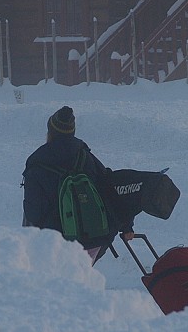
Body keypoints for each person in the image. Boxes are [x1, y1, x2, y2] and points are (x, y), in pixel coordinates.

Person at [22, 106, 134, 265]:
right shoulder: (86, 157)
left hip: (56, 245)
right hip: (95, 239)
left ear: (50, 132)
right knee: (79, 277)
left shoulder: (37, 165)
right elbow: (111, 190)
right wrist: (127, 225)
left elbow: (33, 213)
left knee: (58, 283)